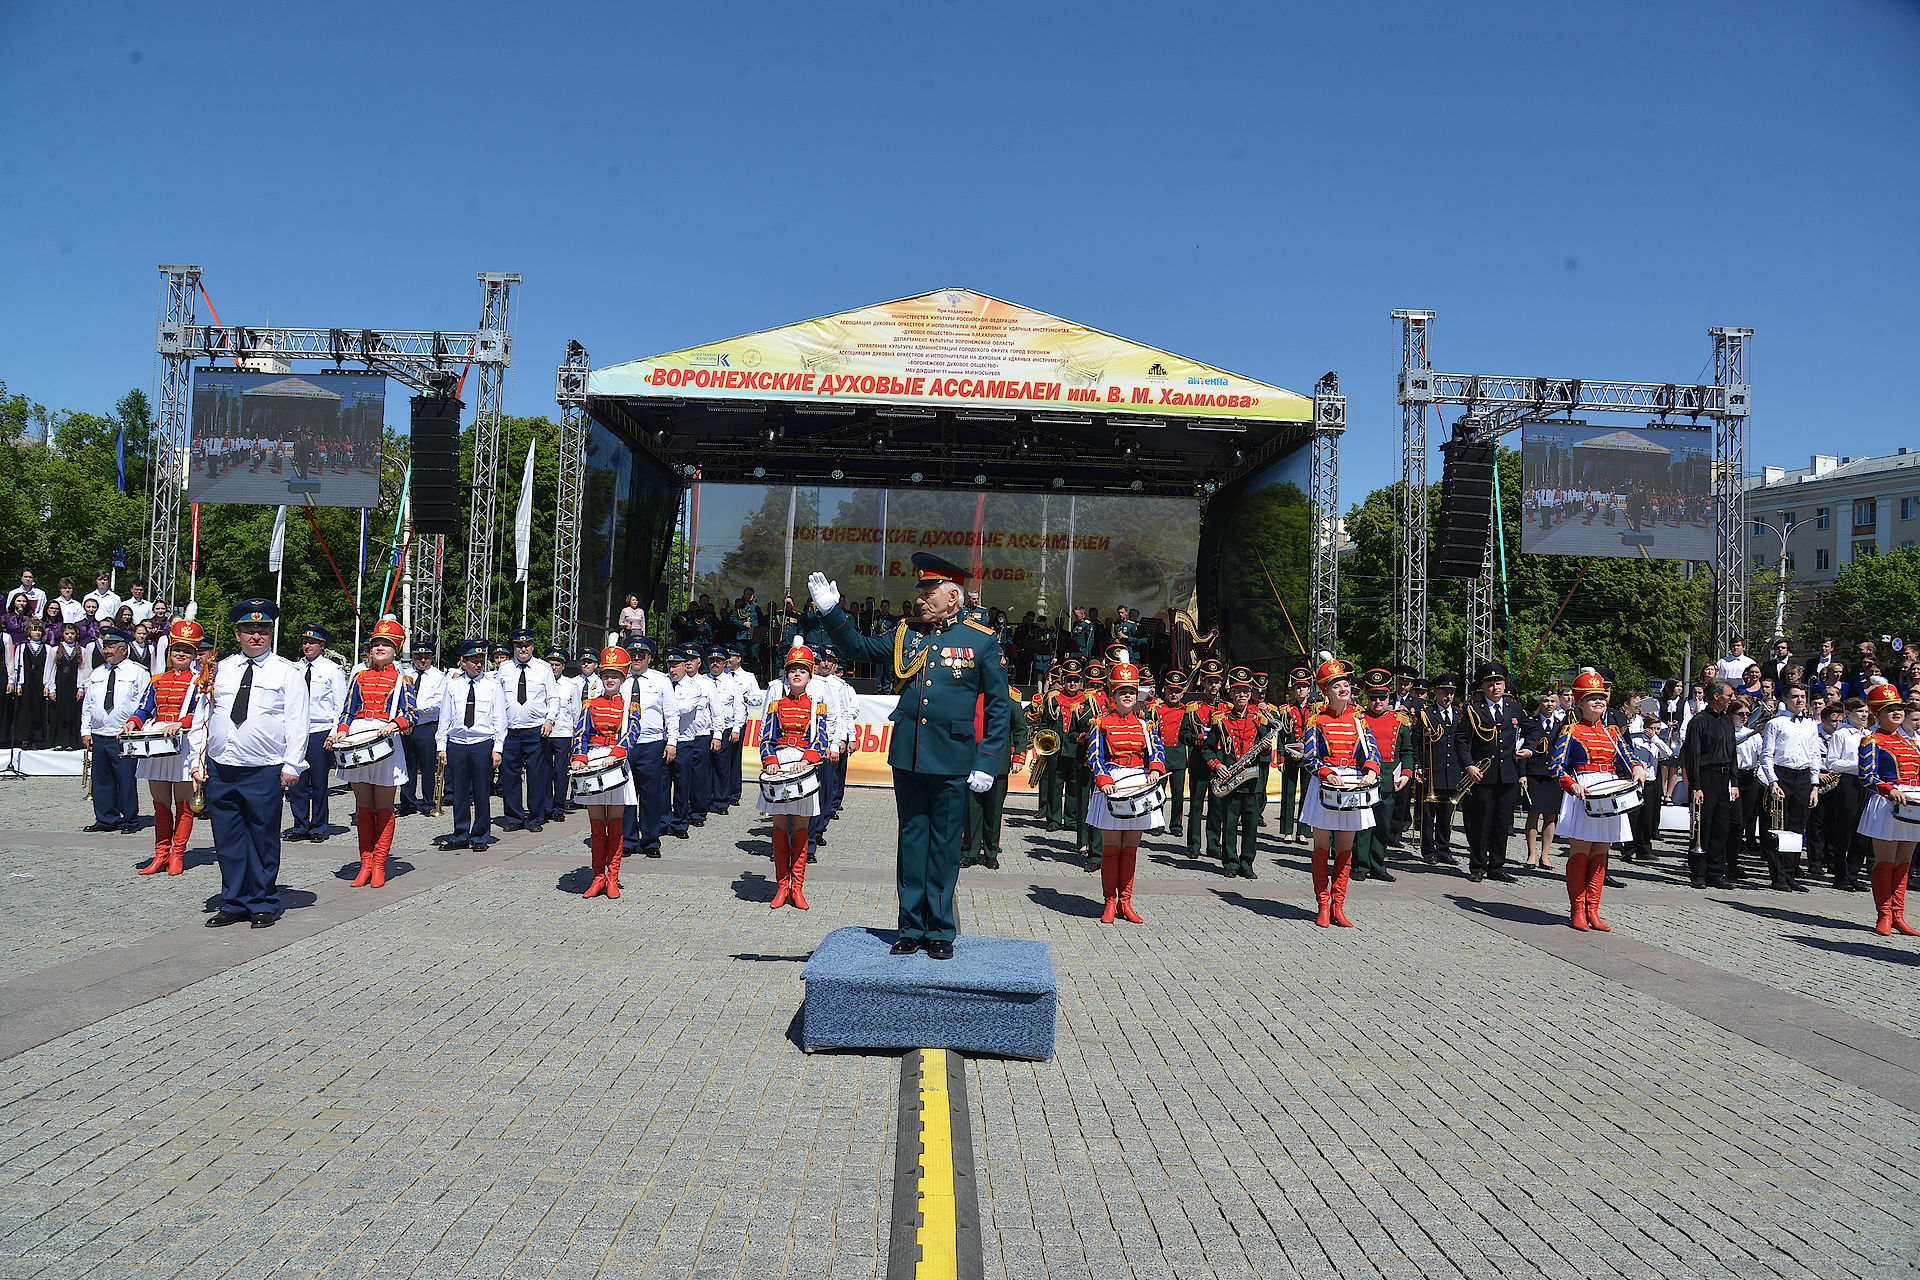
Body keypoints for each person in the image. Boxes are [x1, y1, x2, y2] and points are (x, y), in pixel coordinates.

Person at [809, 552, 1009, 960]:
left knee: (945, 844)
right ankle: (910, 927)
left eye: (929, 591)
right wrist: (831, 612)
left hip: (954, 758)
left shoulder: (981, 640)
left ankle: (940, 929)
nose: (920, 599)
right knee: (912, 841)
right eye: (919, 592)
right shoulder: (907, 634)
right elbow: (859, 647)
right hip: (910, 755)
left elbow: (998, 707)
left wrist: (988, 760)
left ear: (953, 597)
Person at [190, 600, 310, 929]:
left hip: (264, 767)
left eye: (263, 630)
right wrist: (196, 759)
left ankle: (263, 901)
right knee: (227, 838)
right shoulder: (218, 669)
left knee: (262, 837)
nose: (256, 636)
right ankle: (234, 901)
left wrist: (292, 765)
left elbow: (298, 722)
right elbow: (202, 717)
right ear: (237, 633)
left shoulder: (287, 673)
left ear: (271, 633)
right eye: (249, 630)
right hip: (222, 766)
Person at [1552, 669, 1647, 931]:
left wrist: (1638, 768)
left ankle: (1594, 909)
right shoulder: (1570, 731)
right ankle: (1577, 909)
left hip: (1609, 792)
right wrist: (1571, 784)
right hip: (1583, 793)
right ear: (1580, 703)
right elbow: (1556, 766)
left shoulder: (1613, 733)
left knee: (1601, 854)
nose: (1599, 702)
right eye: (1592, 698)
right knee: (1581, 853)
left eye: (1602, 697)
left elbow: (1628, 758)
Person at [327, 619, 415, 889]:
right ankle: (364, 864)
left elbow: (412, 715)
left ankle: (379, 865)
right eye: (376, 643)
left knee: (384, 807)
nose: (379, 648)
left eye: (385, 644)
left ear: (395, 650)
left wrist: (394, 724)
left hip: (385, 741)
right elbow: (347, 710)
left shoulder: (403, 679)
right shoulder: (359, 677)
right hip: (358, 740)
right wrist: (341, 731)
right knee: (363, 807)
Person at [1296, 655, 1381, 926]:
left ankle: (1338, 905)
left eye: (1345, 684)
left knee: (1346, 848)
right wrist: (1327, 773)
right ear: (1326, 692)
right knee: (1322, 846)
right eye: (1336, 686)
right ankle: (1322, 904)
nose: (1344, 689)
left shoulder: (1360, 721)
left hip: (1354, 785)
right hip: (1327, 784)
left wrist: (1370, 770)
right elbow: (1309, 758)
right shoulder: (1316, 721)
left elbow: (1373, 752)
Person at [126, 619, 208, 875]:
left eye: (187, 650)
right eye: (177, 650)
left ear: (195, 654)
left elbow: (201, 714)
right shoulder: (157, 679)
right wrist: (132, 722)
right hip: (156, 745)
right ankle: (160, 853)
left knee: (184, 804)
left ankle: (177, 853)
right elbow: (145, 707)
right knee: (160, 804)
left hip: (183, 746)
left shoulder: (200, 682)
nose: (181, 654)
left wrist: (180, 724)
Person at [1085, 662, 1166, 919]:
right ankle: (1109, 902)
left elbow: (1158, 750)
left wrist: (1155, 768)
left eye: (1131, 691)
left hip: (1139, 783)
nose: (1128, 696)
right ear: (1114, 696)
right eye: (1122, 692)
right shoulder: (1101, 723)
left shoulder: (1145, 724)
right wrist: (1103, 780)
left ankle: (1126, 902)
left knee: (1131, 848)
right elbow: (1094, 756)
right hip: (1113, 783)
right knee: (1111, 848)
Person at [758, 644, 830, 909]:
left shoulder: (817, 707)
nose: (797, 674)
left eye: (802, 670)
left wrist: (806, 761)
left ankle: (797, 888)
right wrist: (771, 762)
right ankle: (781, 886)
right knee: (779, 828)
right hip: (780, 767)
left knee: (801, 829)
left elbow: (821, 739)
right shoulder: (776, 705)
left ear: (810, 676)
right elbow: (765, 737)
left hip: (803, 768)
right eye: (792, 670)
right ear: (786, 675)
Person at [570, 646, 640, 899]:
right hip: (592, 762)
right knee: (597, 826)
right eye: (606, 675)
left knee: (616, 825)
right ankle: (597, 877)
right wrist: (579, 757)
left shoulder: (629, 706)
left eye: (615, 676)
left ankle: (613, 877)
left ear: (623, 678)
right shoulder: (590, 704)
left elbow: (632, 733)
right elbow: (581, 733)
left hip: (616, 762)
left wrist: (616, 754)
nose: (610, 680)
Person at [1454, 663, 1531, 884]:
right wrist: (1469, 765)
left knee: (1502, 823)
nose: (1495, 687)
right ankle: (1477, 866)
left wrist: (1529, 748)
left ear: (1504, 685)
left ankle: (1497, 866)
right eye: (1490, 684)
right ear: (1483, 687)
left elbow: (1532, 729)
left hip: (1507, 775)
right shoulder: (1472, 710)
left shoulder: (1514, 708)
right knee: (1481, 822)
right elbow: (1460, 740)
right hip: (1482, 775)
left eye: (1498, 683)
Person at [1857, 683, 1919, 935]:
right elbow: (1867, 776)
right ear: (1877, 714)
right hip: (1886, 804)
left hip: (1913, 804)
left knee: (1904, 863)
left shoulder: (1912, 742)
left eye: (1899, 708)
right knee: (1885, 861)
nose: (1897, 713)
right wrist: (1889, 789)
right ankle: (1883, 914)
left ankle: (1898, 914)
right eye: (1889, 709)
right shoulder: (1871, 740)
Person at [435, 640, 507, 851]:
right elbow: (445, 718)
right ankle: (460, 834)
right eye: (474, 661)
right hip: (457, 743)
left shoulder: (492, 686)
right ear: (463, 661)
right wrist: (441, 746)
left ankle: (480, 836)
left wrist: (498, 748)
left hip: (481, 743)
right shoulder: (453, 685)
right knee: (459, 792)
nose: (479, 665)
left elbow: (500, 720)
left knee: (482, 790)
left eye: (481, 661)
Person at [81, 626, 150, 833]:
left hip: (124, 734)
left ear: (124, 649)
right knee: (101, 779)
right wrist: (85, 730)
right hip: (100, 732)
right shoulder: (97, 673)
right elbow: (88, 703)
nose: (107, 651)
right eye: (105, 647)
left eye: (112, 647)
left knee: (125, 779)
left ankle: (129, 819)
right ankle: (105, 819)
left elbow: (144, 703)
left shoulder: (138, 672)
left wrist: (137, 727)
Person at [286, 625, 345, 842]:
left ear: (322, 646)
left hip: (320, 731)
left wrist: (333, 732)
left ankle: (319, 826)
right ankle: (300, 825)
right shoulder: (295, 668)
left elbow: (340, 704)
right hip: (297, 730)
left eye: (312, 643)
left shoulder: (332, 670)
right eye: (304, 642)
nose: (307, 646)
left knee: (319, 782)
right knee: (297, 781)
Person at [1354, 669, 1413, 883]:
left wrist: (1406, 774)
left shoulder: (1400, 721)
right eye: (1373, 697)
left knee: (1383, 824)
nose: (1377, 702)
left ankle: (1378, 864)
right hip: (1363, 777)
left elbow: (1407, 752)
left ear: (1389, 698)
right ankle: (1359, 865)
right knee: (1362, 823)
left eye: (1382, 697)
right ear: (1367, 698)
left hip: (1388, 778)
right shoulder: (1357, 719)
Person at [1682, 678, 1742, 890]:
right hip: (1705, 778)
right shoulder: (1699, 721)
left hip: (1724, 778)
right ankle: (1698, 871)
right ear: (1716, 697)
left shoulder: (1727, 721)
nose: (1730, 700)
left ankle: (1716, 871)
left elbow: (1732, 754)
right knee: (1702, 825)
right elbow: (1693, 756)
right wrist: (1696, 786)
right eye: (1728, 696)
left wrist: (1734, 781)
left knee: (1721, 826)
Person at [620, 637, 674, 861]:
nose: (637, 658)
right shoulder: (620, 680)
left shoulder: (661, 681)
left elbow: (671, 713)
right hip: (624, 745)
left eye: (642, 655)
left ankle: (651, 840)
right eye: (632, 653)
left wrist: (672, 742)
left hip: (651, 743)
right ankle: (628, 839)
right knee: (625, 794)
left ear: (650, 658)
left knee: (651, 795)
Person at [497, 628, 557, 833]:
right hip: (510, 730)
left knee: (536, 776)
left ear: (532, 646)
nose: (523, 649)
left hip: (536, 730)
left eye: (527, 645)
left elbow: (553, 698)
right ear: (513, 648)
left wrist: (550, 720)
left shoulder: (543, 668)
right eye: (519, 646)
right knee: (510, 775)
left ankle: (535, 817)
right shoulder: (504, 669)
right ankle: (513, 817)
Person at [965, 684, 1029, 871]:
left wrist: (1018, 756)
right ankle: (971, 852)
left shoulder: (1008, 696)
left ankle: (991, 853)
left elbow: (1020, 729)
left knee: (993, 810)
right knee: (971, 808)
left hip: (997, 760)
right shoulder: (969, 691)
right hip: (972, 757)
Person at [1414, 674, 1464, 865]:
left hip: (1452, 771)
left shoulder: (1460, 714)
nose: (1448, 696)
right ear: (1436, 692)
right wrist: (1418, 765)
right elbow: (1417, 741)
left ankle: (1444, 849)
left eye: (1451, 693)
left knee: (1446, 813)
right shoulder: (1426, 713)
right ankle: (1428, 850)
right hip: (1431, 770)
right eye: (1445, 692)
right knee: (1428, 813)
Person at [1180, 658, 1227, 859]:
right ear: (1203, 683)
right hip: (1199, 762)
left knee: (1217, 806)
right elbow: (1183, 735)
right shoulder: (1193, 708)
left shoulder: (1227, 707)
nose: (1213, 686)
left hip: (1221, 763)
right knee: (1196, 805)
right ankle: (1194, 844)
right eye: (1210, 681)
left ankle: (1214, 845)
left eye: (1216, 681)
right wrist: (1198, 738)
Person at [397, 642, 445, 817]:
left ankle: (428, 803)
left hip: (426, 726)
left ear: (432, 657)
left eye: (426, 657)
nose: (422, 660)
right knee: (407, 766)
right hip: (407, 726)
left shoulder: (438, 676)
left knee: (427, 767)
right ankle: (407, 802)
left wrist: (414, 709)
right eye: (418, 657)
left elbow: (438, 703)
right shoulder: (405, 674)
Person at [1520, 691, 1563, 872]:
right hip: (1534, 774)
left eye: (1552, 701)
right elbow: (1521, 748)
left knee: (1550, 816)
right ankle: (1532, 854)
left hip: (1553, 776)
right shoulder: (1532, 723)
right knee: (1533, 814)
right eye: (1545, 701)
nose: (1549, 704)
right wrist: (1522, 773)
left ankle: (1545, 855)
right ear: (1540, 703)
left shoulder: (1562, 725)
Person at [542, 645, 583, 825]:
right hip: (544, 733)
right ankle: (545, 807)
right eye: (550, 663)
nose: (553, 667)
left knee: (560, 771)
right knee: (543, 772)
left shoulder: (570, 685)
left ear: (563, 666)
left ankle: (559, 807)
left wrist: (576, 734)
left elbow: (576, 711)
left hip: (563, 733)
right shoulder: (540, 683)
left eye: (557, 664)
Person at [1152, 670, 1191, 838]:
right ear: (1165, 691)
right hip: (1161, 756)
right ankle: (1158, 823)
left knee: (1177, 794)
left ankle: (1176, 824)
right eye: (1170, 691)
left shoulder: (1187, 711)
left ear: (1182, 694)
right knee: (1158, 792)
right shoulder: (1156, 709)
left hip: (1179, 757)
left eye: (1177, 691)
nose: (1173, 694)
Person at [49, 622, 87, 750]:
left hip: (73, 682)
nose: (70, 636)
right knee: (59, 712)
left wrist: (81, 687)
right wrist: (51, 688)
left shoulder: (82, 650)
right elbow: (51, 669)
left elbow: (83, 669)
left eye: (72, 633)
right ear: (62, 635)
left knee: (73, 712)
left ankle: (72, 742)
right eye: (67, 634)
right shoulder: (55, 650)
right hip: (61, 682)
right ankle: (59, 741)